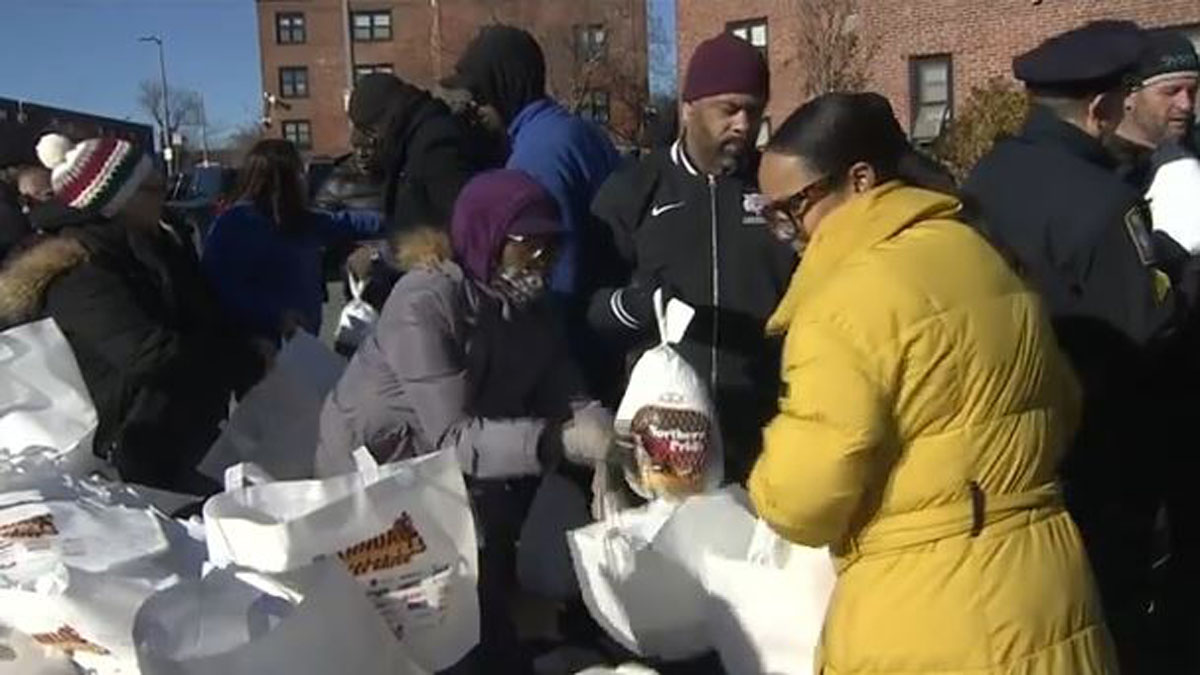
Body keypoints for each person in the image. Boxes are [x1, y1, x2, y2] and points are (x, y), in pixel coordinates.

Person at [749, 92, 1114, 675]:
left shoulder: (843, 303)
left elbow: (804, 499)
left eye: (792, 208)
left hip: (927, 614)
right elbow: (1062, 405)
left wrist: (762, 484)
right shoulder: (983, 252)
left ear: (860, 179)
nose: (785, 232)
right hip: (1047, 589)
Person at [316, 169, 614, 672]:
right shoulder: (426, 300)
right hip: (379, 478)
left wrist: (603, 430)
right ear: (490, 236)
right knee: (413, 627)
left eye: (551, 244)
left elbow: (562, 385)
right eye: (528, 243)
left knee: (478, 609)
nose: (542, 258)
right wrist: (557, 442)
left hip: (458, 485)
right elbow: (452, 439)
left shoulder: (531, 308)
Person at [961, 21, 1178, 672]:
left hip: (1007, 439)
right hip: (1100, 449)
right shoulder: (1103, 201)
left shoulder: (988, 174)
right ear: (1100, 109)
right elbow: (1148, 328)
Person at [588, 33, 796, 480]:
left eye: (754, 110)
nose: (744, 124)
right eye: (729, 109)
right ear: (688, 107)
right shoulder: (634, 189)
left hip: (767, 436)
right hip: (666, 437)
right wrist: (634, 305)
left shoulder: (779, 188)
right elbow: (587, 306)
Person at [0, 134, 233, 493]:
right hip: (130, 450)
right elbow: (146, 353)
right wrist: (229, 355)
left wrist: (249, 348)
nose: (164, 194)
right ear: (117, 201)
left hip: (187, 431)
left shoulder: (158, 244)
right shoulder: (77, 267)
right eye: (152, 188)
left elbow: (203, 316)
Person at [441, 25, 620, 298]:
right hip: (610, 303)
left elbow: (553, 265)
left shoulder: (537, 157)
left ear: (504, 88)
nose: (475, 108)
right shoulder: (580, 131)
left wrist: (547, 326)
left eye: (480, 96)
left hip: (575, 322)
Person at [200, 139, 381, 384]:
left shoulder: (300, 221)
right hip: (261, 356)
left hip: (303, 348)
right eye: (299, 172)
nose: (304, 179)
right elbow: (219, 289)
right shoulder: (235, 225)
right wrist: (275, 317)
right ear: (281, 180)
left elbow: (345, 222)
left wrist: (402, 221)